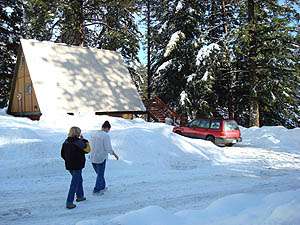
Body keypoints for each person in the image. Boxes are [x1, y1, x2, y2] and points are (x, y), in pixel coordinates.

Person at [61, 126, 91, 209]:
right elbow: (88, 150)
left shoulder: (66, 142)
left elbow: (62, 154)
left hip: (69, 165)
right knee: (74, 183)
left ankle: (80, 196)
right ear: (77, 133)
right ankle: (69, 202)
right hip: (77, 166)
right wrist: (85, 141)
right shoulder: (79, 142)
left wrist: (68, 160)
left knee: (79, 180)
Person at [90, 121, 119, 194]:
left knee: (99, 174)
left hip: (93, 157)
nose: (108, 131)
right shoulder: (105, 136)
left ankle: (102, 187)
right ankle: (96, 190)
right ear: (107, 128)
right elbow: (108, 147)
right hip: (101, 157)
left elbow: (90, 145)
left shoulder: (94, 134)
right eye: (108, 130)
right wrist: (114, 154)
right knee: (100, 175)